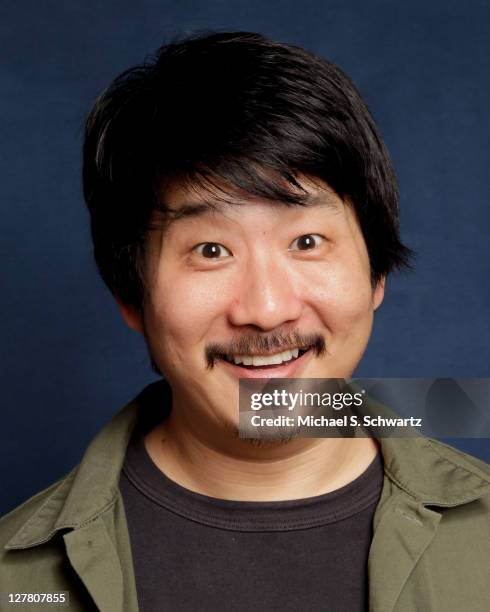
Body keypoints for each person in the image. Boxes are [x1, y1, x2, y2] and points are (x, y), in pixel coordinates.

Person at [1, 31, 489, 612]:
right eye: (210, 250)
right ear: (130, 295)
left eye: (307, 241)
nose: (265, 309)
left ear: (376, 272)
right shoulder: (17, 584)